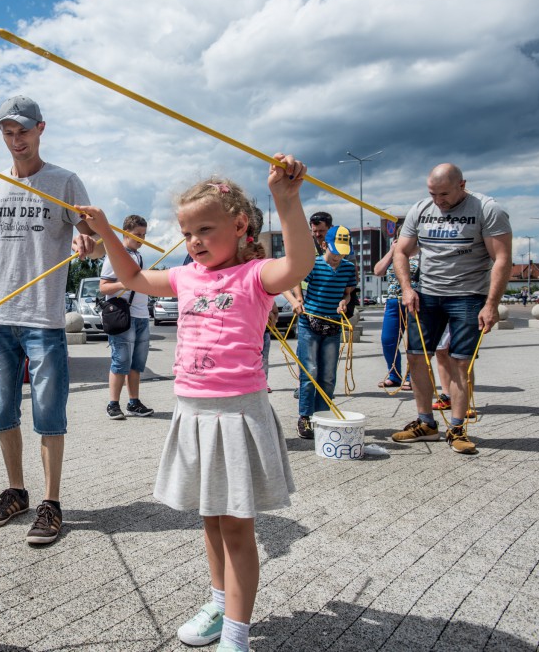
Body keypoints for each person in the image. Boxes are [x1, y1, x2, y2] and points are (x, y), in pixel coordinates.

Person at [78, 153, 313, 652]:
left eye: (205, 229)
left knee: (236, 530)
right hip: (193, 410)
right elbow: (136, 280)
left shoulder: (255, 276)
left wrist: (287, 201)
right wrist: (106, 233)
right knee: (209, 517)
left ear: (241, 224)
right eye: (187, 233)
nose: (194, 242)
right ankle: (218, 601)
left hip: (236, 413)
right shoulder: (186, 278)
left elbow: (300, 263)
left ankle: (237, 633)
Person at [0, 96, 102, 546]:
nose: (15, 139)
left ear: (40, 129)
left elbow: (98, 243)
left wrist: (90, 245)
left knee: (49, 414)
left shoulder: (63, 182)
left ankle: (51, 503)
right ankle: (17, 493)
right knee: (2, 411)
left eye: (23, 130)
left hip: (43, 319)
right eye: (7, 132)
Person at [391, 163, 511, 454]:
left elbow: (502, 259)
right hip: (427, 295)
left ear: (462, 185)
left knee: (460, 362)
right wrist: (408, 289)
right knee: (416, 357)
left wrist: (491, 304)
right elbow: (401, 252)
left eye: (443, 194)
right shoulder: (421, 209)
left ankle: (457, 428)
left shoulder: (487, 209)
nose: (438, 201)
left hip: (468, 295)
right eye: (432, 193)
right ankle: (426, 424)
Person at [284, 225, 358, 439]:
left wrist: (344, 302)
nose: (338, 257)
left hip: (333, 325)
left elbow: (348, 293)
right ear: (325, 245)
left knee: (327, 375)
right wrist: (298, 300)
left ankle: (323, 414)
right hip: (310, 322)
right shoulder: (314, 265)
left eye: (342, 252)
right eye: (335, 251)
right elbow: (296, 279)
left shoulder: (346, 268)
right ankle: (305, 416)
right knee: (310, 372)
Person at [100, 214, 154, 420]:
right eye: (137, 235)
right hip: (124, 315)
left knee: (136, 364)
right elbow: (103, 286)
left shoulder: (138, 256)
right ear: (125, 233)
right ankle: (113, 404)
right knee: (120, 361)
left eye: (144, 235)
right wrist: (125, 283)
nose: (141, 239)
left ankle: (134, 402)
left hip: (141, 315)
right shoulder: (116, 254)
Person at [373, 235, 417, 389]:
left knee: (414, 342)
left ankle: (413, 378)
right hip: (393, 302)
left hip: (415, 301)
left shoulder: (422, 254)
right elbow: (378, 271)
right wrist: (392, 250)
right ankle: (394, 375)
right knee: (388, 341)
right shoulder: (395, 254)